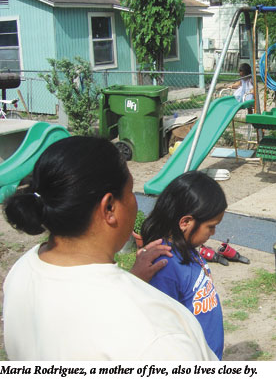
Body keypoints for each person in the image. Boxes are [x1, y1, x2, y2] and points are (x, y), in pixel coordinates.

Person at [2, 136, 217, 361]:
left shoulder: (21, 271)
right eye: (131, 191)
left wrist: (133, 280)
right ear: (110, 208)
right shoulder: (157, 333)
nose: (135, 202)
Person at [142, 171, 227, 360]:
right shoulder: (164, 265)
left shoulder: (187, 248)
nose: (213, 233)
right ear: (186, 222)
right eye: (211, 226)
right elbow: (163, 329)